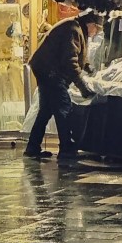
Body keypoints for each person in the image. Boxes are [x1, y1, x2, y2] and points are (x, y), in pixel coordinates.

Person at [25, 10, 103, 161]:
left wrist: (88, 67)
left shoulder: (76, 27)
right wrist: (83, 87)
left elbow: (77, 54)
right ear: (91, 24)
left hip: (46, 70)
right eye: (97, 29)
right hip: (51, 72)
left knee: (46, 111)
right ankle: (66, 149)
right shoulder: (73, 29)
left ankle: (33, 147)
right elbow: (70, 61)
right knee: (64, 109)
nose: (96, 33)